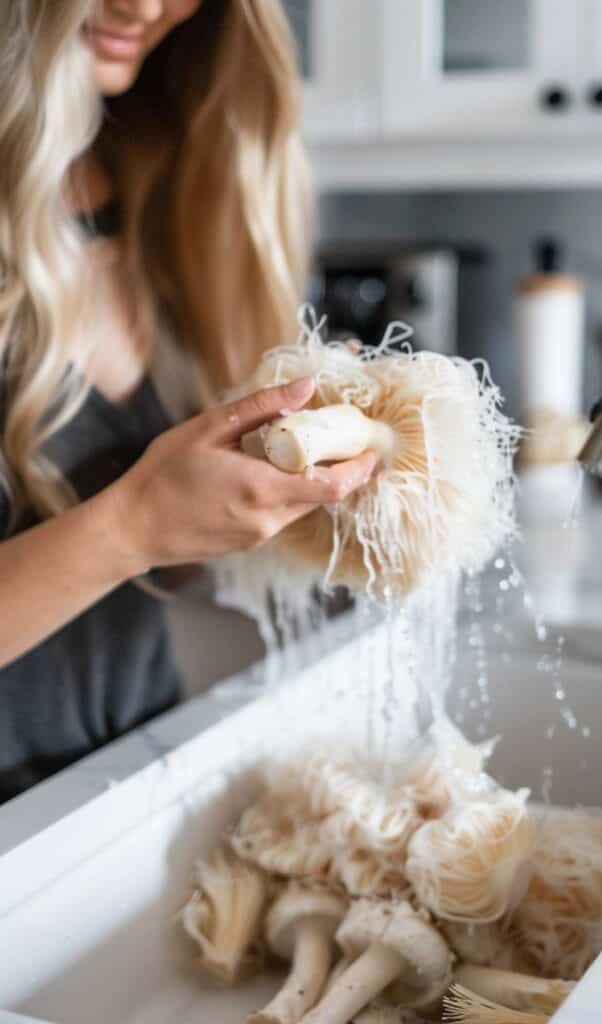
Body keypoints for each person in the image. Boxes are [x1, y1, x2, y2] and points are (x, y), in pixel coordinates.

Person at [0, 0, 376, 803]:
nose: (142, 6)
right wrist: (132, 525)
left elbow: (162, 562)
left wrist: (271, 481)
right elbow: (127, 530)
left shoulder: (156, 176)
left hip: (113, 780)